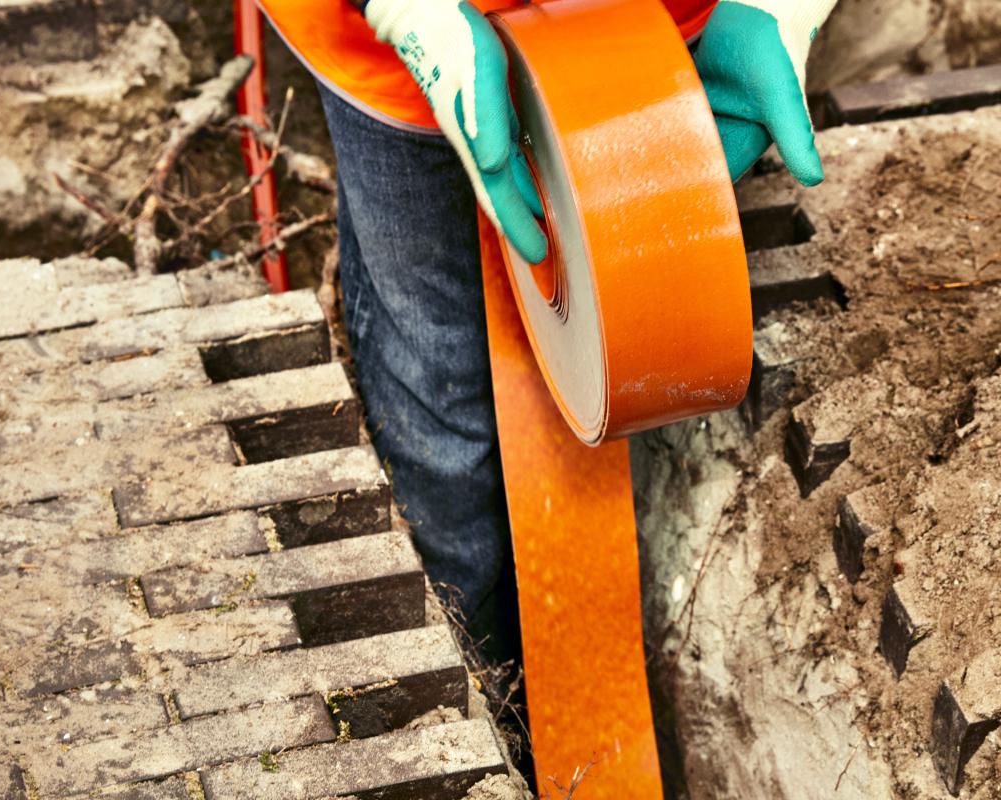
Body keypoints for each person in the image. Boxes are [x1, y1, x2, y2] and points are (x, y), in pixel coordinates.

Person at [256, 0, 839, 668]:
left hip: (644, 35)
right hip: (418, 48)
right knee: (438, 383)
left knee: (634, 335)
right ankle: (472, 678)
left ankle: (587, 660)